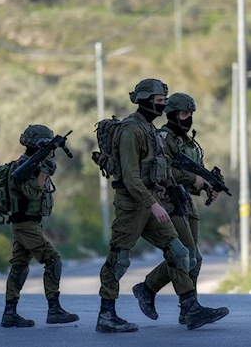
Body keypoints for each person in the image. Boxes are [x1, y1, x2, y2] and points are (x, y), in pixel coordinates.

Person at [96, 79, 229, 333]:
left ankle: (190, 308)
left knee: (180, 253)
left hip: (152, 202)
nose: (162, 107)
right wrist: (153, 204)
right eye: (159, 102)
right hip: (132, 205)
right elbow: (130, 176)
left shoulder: (148, 129)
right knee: (119, 259)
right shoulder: (131, 130)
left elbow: (162, 170)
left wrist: (198, 185)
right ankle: (106, 314)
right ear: (145, 101)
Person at [132, 92, 227, 324]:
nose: (188, 118)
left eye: (191, 114)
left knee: (195, 258)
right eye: (184, 114)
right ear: (172, 114)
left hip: (184, 200)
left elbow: (193, 173)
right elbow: (162, 171)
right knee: (184, 254)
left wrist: (206, 185)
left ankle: (185, 306)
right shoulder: (162, 138)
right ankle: (183, 304)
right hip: (168, 200)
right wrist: (194, 180)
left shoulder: (186, 141)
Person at [0, 124, 79, 328]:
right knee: (53, 261)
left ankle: (10, 313)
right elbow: (33, 193)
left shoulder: (31, 164)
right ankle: (54, 309)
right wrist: (43, 173)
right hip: (25, 224)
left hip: (28, 222)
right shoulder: (23, 168)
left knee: (19, 266)